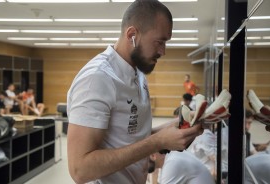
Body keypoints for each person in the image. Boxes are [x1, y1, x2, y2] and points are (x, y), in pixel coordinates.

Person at [67, 1, 202, 183]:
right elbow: (80, 169)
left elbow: (132, 137)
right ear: (132, 35)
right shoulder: (97, 79)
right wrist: (157, 142)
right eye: (159, 42)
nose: (163, 51)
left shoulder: (137, 73)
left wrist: (176, 126)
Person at [149, 151, 215, 184]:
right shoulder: (169, 159)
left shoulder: (172, 163)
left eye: (141, 161)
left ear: (153, 155)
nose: (140, 166)